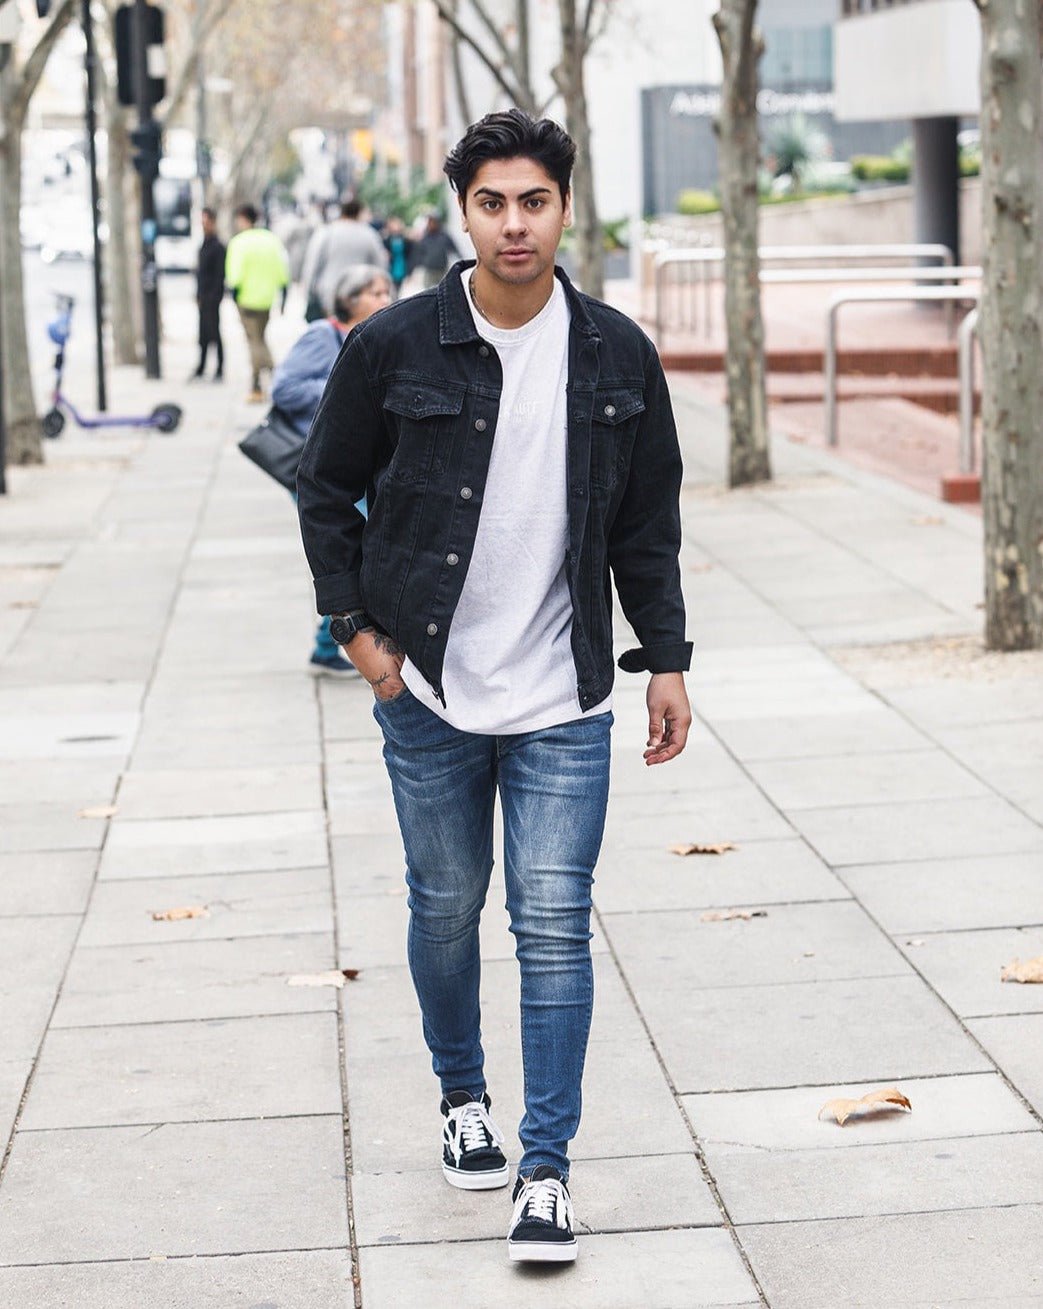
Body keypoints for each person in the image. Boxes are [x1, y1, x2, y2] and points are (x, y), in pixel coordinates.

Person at [297, 110, 692, 1265]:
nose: (513, 225)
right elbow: (325, 490)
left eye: (533, 202)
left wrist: (664, 658)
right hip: (426, 688)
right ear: (459, 213)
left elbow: (646, 523)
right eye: (491, 204)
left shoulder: (616, 351)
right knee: (443, 907)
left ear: (564, 208)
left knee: (554, 925)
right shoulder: (396, 347)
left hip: (564, 693)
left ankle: (547, 1168)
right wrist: (364, 644)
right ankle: (458, 1093)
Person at [271, 265, 391, 678]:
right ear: (348, 298)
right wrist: (344, 391)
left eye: (386, 291)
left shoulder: (378, 338)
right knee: (346, 549)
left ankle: (328, 644)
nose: (384, 299)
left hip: (359, 463)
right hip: (319, 464)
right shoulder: (322, 336)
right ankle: (331, 642)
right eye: (374, 293)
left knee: (360, 548)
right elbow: (284, 389)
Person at [224, 203, 290, 403]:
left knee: (254, 342)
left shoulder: (239, 242)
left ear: (244, 219)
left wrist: (234, 294)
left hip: (247, 299)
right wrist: (283, 294)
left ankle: (259, 383)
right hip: (267, 299)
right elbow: (282, 270)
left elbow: (234, 274)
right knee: (260, 338)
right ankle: (274, 375)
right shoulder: (271, 240)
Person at [302, 198, 388, 322]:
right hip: (359, 294)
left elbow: (312, 265)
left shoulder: (326, 232)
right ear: (359, 213)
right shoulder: (370, 234)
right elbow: (380, 266)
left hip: (329, 293)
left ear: (341, 212)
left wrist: (309, 292)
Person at [193, 207, 225, 381]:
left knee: (215, 333)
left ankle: (220, 367)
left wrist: (213, 297)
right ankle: (201, 366)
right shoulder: (203, 244)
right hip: (202, 297)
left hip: (212, 298)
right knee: (203, 334)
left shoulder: (218, 247)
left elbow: (219, 275)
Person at [408, 213, 462, 289]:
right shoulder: (425, 238)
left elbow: (453, 248)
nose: (431, 224)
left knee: (444, 289)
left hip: (442, 270)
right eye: (429, 222)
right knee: (428, 291)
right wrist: (412, 270)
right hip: (429, 270)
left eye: (433, 221)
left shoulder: (444, 236)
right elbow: (418, 254)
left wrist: (460, 259)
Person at [382, 215, 413, 298]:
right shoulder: (386, 239)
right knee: (391, 288)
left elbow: (410, 254)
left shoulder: (405, 239)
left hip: (401, 265)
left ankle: (395, 300)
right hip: (391, 266)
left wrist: (410, 271)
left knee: (398, 288)